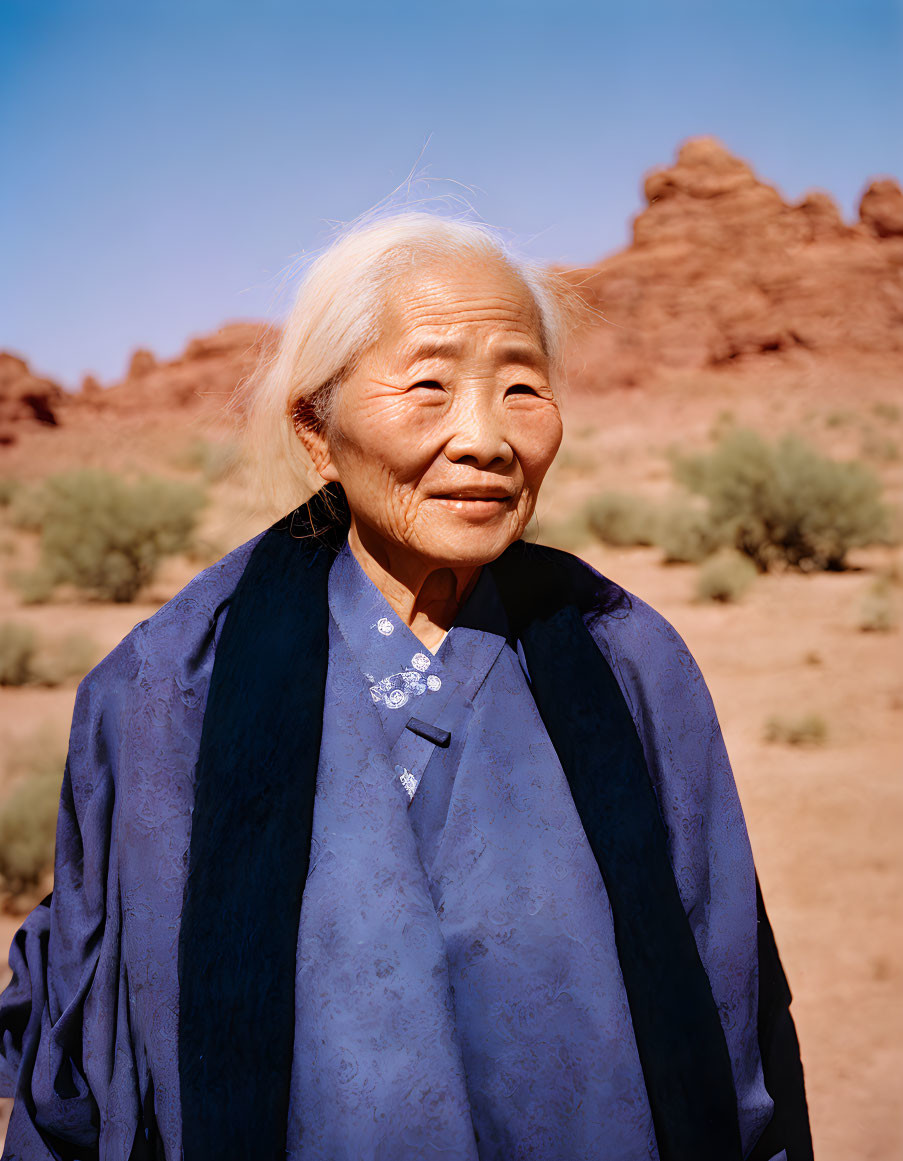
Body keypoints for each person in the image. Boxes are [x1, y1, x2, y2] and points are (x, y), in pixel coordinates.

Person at [0, 211, 812, 1161]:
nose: (485, 438)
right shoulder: (166, 689)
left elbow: (730, 1011)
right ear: (316, 428)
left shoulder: (628, 661)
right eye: (428, 385)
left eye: (521, 387)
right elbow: (90, 1062)